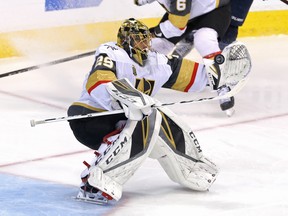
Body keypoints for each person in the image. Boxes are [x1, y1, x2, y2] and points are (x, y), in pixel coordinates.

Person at [67, 18, 250, 203]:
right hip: (90, 117)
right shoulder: (111, 53)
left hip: (130, 119)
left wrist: (223, 72)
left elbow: (195, 77)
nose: (143, 44)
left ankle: (191, 167)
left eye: (145, 39)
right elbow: (99, 81)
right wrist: (131, 99)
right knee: (147, 114)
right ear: (125, 41)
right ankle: (97, 182)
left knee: (158, 116)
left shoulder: (158, 62)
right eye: (137, 40)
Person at [134, 0, 234, 115]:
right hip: (184, 14)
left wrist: (154, 32)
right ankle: (139, 80)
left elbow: (176, 27)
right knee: (155, 46)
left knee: (204, 39)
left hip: (212, 12)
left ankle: (223, 84)